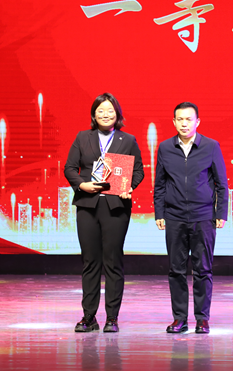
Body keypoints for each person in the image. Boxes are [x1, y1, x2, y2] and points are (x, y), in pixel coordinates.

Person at [64, 93, 144, 333]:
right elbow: (70, 168)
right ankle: (89, 317)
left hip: (115, 206)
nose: (105, 115)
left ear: (117, 114)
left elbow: (138, 171)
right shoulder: (83, 137)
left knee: (113, 261)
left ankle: (112, 318)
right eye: (100, 111)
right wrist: (82, 185)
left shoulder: (128, 140)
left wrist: (129, 187)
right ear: (94, 114)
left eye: (110, 110)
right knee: (90, 262)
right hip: (87, 205)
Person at [153, 102, 229, 334]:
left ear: (197, 122)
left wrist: (220, 213)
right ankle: (179, 319)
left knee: (203, 269)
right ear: (174, 122)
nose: (184, 123)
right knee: (176, 270)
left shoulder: (211, 146)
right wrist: (159, 212)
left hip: (203, 216)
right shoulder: (165, 148)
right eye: (180, 119)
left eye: (189, 119)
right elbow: (160, 184)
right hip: (174, 216)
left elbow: (221, 184)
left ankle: (202, 319)